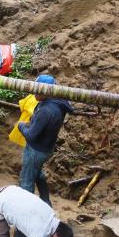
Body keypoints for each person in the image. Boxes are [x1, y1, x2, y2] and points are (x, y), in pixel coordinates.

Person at [17, 75, 73, 206]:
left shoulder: (46, 111)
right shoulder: (59, 101)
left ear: (46, 91)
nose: (33, 92)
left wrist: (21, 126)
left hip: (35, 151)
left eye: (36, 90)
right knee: (37, 174)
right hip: (45, 149)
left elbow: (31, 135)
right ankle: (46, 202)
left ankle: (26, 214)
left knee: (26, 181)